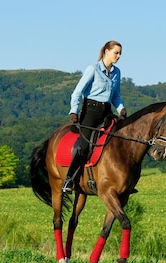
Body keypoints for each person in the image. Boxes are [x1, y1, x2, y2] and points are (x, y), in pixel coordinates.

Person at [62, 40, 128, 192]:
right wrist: (74, 111)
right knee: (84, 147)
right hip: (90, 112)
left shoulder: (117, 72)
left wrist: (121, 108)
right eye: (116, 53)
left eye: (120, 54)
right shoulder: (93, 69)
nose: (118, 56)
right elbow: (77, 92)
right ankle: (69, 180)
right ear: (106, 51)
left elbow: (116, 95)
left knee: (119, 141)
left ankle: (121, 180)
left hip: (107, 112)